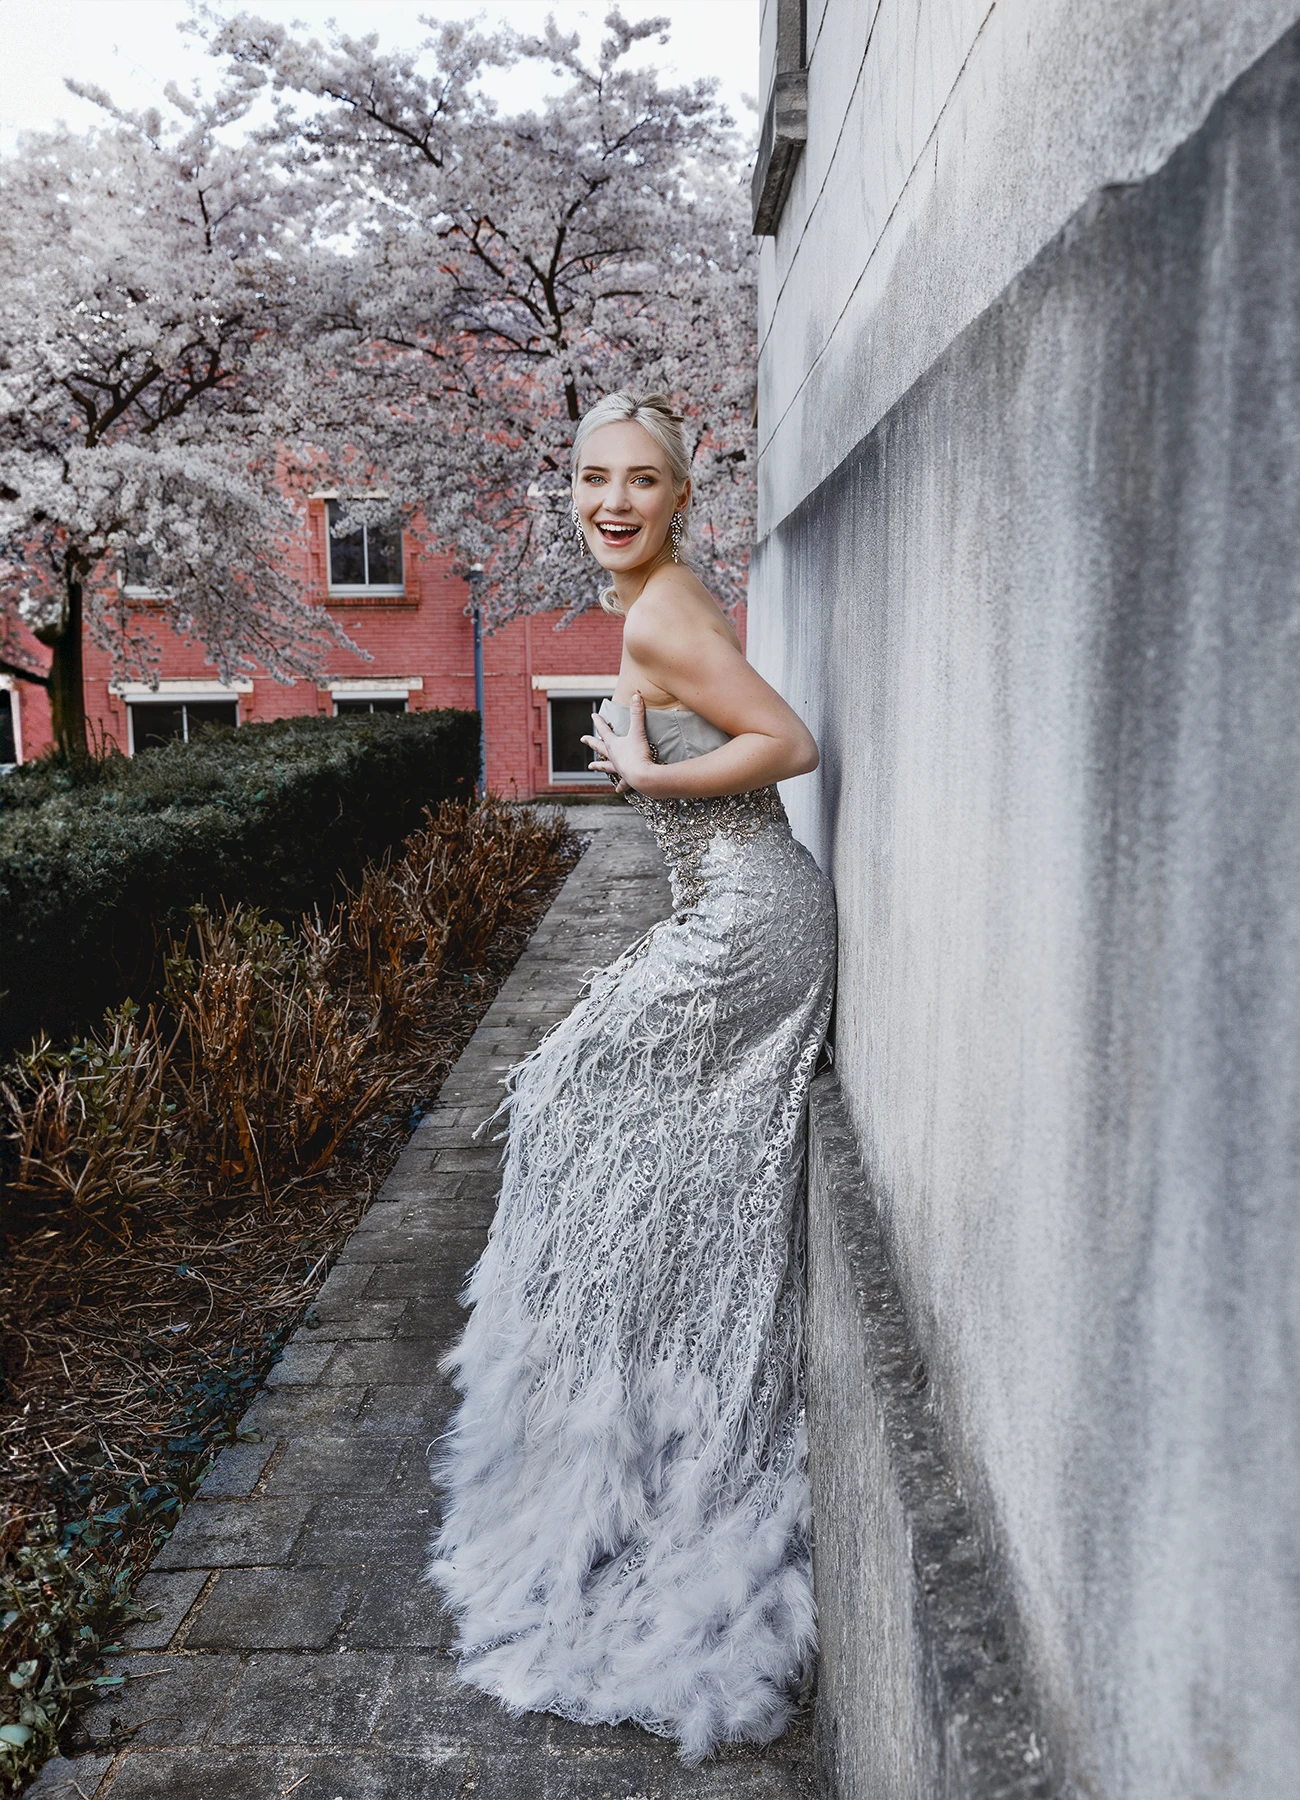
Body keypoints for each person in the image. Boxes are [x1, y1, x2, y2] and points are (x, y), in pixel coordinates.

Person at [428, 391, 837, 1762]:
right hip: (731, 911)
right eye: (595, 477)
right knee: (603, 1134)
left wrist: (646, 786)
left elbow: (788, 744)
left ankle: (644, 1427)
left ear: (679, 494)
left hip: (749, 923)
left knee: (556, 1107)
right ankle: (636, 1414)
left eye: (642, 480)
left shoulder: (661, 609)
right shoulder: (656, 594)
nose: (614, 499)